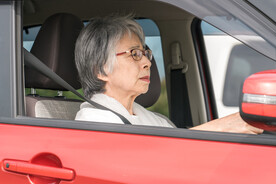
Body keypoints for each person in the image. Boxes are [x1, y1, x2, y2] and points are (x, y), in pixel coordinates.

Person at [74, 14, 263, 134]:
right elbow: (141, 161)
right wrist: (221, 127)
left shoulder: (154, 119)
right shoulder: (93, 123)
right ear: (100, 70)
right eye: (135, 54)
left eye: (146, 53)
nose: (147, 62)